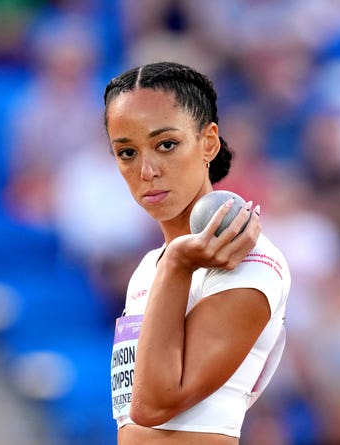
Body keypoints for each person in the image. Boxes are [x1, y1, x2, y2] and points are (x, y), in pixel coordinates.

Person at [104, 61, 291, 445]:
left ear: (208, 142)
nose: (147, 170)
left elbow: (153, 407)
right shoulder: (148, 269)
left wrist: (177, 263)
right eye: (127, 153)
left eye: (166, 145)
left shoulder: (249, 264)